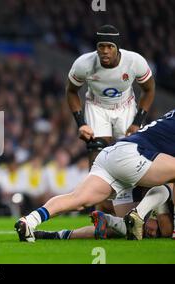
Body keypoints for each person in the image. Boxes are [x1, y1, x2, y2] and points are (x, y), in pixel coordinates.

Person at [15, 108, 175, 242]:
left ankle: (30, 220)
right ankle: (138, 215)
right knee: (159, 221)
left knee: (76, 199)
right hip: (134, 156)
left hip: (112, 154)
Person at [66, 24, 155, 213]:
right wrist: (81, 123)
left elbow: (149, 89)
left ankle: (136, 206)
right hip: (97, 106)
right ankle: (100, 209)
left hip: (125, 107)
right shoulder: (84, 63)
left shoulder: (134, 61)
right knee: (96, 151)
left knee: (131, 154)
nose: (105, 51)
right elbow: (71, 91)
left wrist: (138, 121)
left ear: (117, 48)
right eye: (101, 46)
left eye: (110, 46)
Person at [34, 185, 173, 240]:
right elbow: (166, 229)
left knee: (119, 231)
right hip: (133, 178)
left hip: (122, 176)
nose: (153, 233)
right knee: (133, 228)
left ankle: (53, 235)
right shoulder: (164, 223)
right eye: (156, 231)